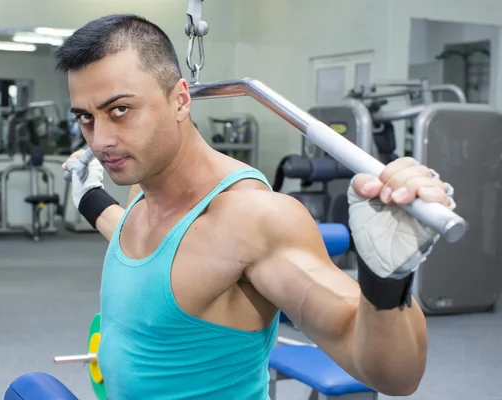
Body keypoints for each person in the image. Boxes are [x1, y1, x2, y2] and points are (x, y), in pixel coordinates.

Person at [58, 14, 455, 399]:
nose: (100, 139)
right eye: (86, 118)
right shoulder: (144, 192)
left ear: (180, 100)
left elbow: (394, 375)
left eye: (120, 111)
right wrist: (89, 198)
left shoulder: (251, 218)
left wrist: (385, 282)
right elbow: (143, 247)